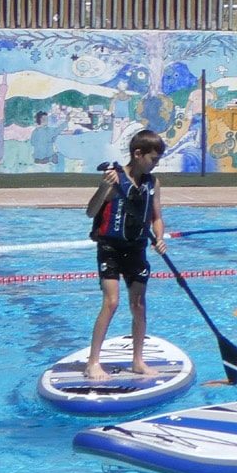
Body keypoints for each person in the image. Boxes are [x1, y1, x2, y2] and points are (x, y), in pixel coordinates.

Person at [82, 130, 167, 381]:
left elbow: (157, 217)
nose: (155, 164)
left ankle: (138, 360)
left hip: (136, 248)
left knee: (139, 305)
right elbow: (90, 212)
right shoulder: (115, 178)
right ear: (137, 154)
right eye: (153, 159)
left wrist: (160, 239)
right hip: (110, 247)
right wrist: (104, 189)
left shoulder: (153, 183)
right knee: (112, 302)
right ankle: (93, 362)